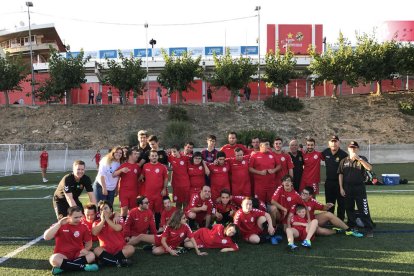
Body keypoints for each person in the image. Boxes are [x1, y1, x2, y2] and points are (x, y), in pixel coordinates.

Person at [43, 206, 99, 274]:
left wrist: (86, 249)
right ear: (68, 216)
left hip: (78, 254)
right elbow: (46, 237)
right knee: (53, 259)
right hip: (63, 255)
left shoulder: (83, 226)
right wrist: (59, 224)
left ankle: (64, 268)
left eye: (80, 217)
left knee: (91, 255)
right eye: (76, 217)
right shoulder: (60, 225)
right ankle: (83, 267)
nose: (79, 219)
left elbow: (89, 243)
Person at [291, 186, 363, 237]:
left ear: (310, 196)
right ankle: (336, 231)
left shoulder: (312, 201)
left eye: (305, 194)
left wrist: (327, 206)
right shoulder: (297, 200)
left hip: (313, 220)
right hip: (302, 223)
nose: (302, 194)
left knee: (328, 214)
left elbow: (323, 208)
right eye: (302, 192)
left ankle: (349, 230)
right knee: (320, 231)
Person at [128, 210, 207, 256]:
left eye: (185, 218)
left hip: (171, 245)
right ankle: (124, 246)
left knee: (155, 252)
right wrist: (170, 251)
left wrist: (198, 252)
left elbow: (192, 239)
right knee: (141, 236)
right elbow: (162, 240)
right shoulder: (169, 226)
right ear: (178, 219)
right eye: (183, 218)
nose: (186, 219)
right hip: (161, 239)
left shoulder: (186, 226)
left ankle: (153, 247)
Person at [338, 141, 374, 238]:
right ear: (348, 149)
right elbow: (340, 174)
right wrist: (341, 188)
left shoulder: (362, 159)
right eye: (351, 147)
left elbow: (370, 168)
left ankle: (369, 229)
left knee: (364, 209)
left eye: (354, 147)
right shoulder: (343, 161)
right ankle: (352, 226)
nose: (352, 149)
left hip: (359, 188)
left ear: (357, 149)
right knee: (349, 208)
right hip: (347, 188)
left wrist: (360, 160)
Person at [92, 201, 135, 268]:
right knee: (96, 250)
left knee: (131, 249)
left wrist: (107, 219)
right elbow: (94, 233)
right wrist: (103, 220)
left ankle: (106, 260)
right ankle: (119, 262)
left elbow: (118, 228)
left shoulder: (117, 218)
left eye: (105, 208)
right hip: (105, 250)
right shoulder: (96, 222)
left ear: (111, 209)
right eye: (101, 209)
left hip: (120, 249)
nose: (103, 211)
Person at [139, 150, 169, 228]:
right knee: (148, 211)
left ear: (158, 157)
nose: (154, 157)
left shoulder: (162, 167)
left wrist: (164, 189)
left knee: (158, 211)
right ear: (149, 157)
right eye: (152, 155)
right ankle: (147, 227)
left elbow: (166, 179)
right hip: (148, 194)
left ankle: (157, 227)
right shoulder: (145, 166)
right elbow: (141, 177)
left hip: (158, 193)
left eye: (155, 155)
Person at [321, 135, 348, 220]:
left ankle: (340, 220)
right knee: (329, 203)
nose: (334, 143)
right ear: (329, 143)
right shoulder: (325, 152)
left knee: (341, 203)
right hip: (329, 182)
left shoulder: (344, 155)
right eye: (332, 141)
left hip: (340, 183)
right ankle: (330, 220)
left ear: (339, 143)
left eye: (335, 141)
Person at [249, 139, 280, 204]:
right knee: (260, 204)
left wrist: (274, 170)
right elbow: (250, 168)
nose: (268, 146)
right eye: (266, 144)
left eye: (268, 144)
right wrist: (260, 172)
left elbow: (279, 166)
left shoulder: (273, 154)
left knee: (272, 203)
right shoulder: (254, 156)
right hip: (259, 186)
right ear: (260, 146)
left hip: (271, 185)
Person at [113, 147, 141, 219]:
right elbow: (114, 174)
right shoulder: (124, 165)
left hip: (134, 192)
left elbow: (140, 178)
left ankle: (131, 226)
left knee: (133, 210)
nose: (137, 155)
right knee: (124, 209)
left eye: (137, 154)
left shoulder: (137, 167)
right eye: (135, 154)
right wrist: (121, 170)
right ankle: (123, 226)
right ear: (130, 155)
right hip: (124, 192)